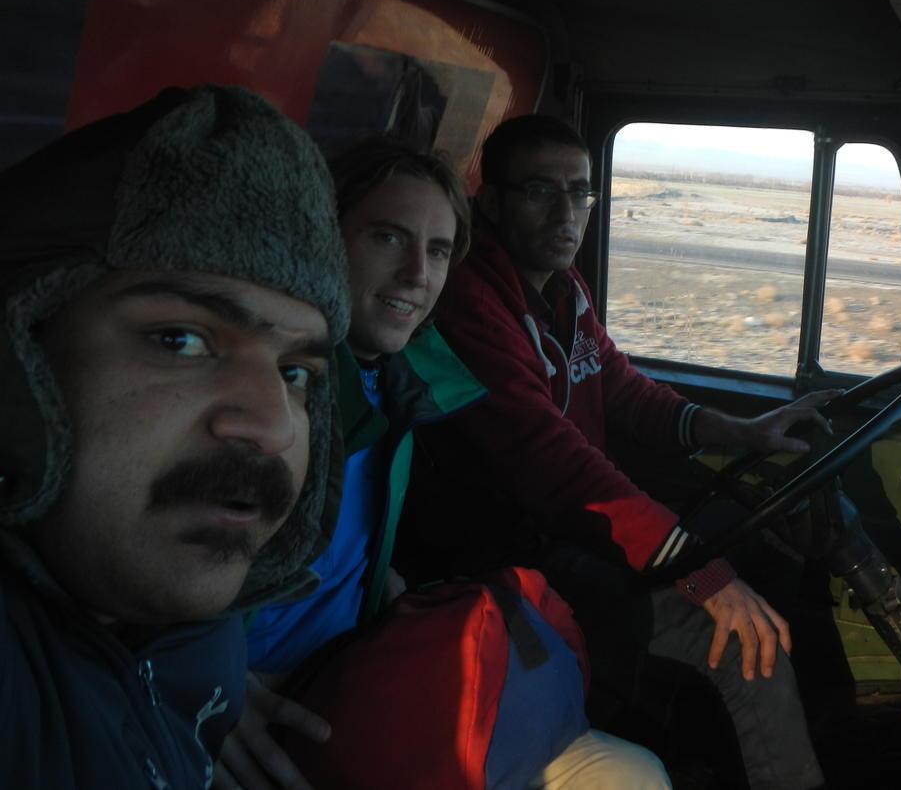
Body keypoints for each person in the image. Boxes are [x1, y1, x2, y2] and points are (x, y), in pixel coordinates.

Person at [404, 115, 848, 790]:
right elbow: (552, 463)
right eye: (540, 191)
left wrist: (743, 431)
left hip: (575, 526)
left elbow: (621, 388)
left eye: (579, 192)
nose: (566, 214)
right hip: (518, 552)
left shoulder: (563, 287)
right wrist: (703, 576)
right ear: (491, 201)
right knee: (742, 649)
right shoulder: (470, 301)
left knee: (770, 549)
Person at [216, 137, 671, 790]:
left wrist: (391, 589)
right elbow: (123, 553)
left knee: (634, 773)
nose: (416, 275)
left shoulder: (398, 382)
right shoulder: (274, 387)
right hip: (258, 694)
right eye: (388, 238)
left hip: (354, 666)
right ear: (324, 237)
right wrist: (201, 673)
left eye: (436, 251)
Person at [0, 85, 350, 789]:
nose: (273, 427)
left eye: (294, 373)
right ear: (22, 354)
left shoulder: (196, 615)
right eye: (179, 340)